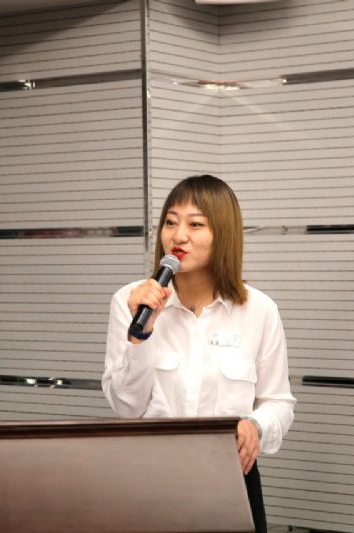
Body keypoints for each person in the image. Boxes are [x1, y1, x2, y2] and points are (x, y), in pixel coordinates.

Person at [102, 175, 296, 532]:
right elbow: (127, 407)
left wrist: (255, 425)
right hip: (150, 480)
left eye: (195, 224)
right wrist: (142, 332)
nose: (178, 236)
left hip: (229, 480)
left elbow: (279, 403)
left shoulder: (259, 310)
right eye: (170, 222)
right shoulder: (130, 302)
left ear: (224, 234)